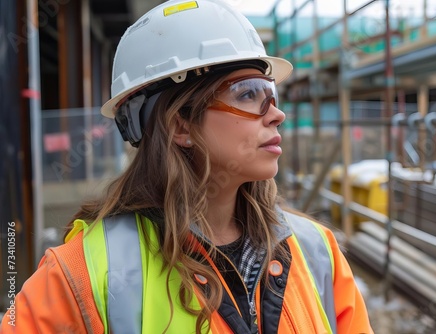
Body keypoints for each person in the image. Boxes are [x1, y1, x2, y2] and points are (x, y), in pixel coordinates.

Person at [1, 0, 373, 333]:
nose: (277, 114)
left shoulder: (316, 251)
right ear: (181, 126)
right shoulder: (83, 275)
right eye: (248, 94)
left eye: (271, 94)